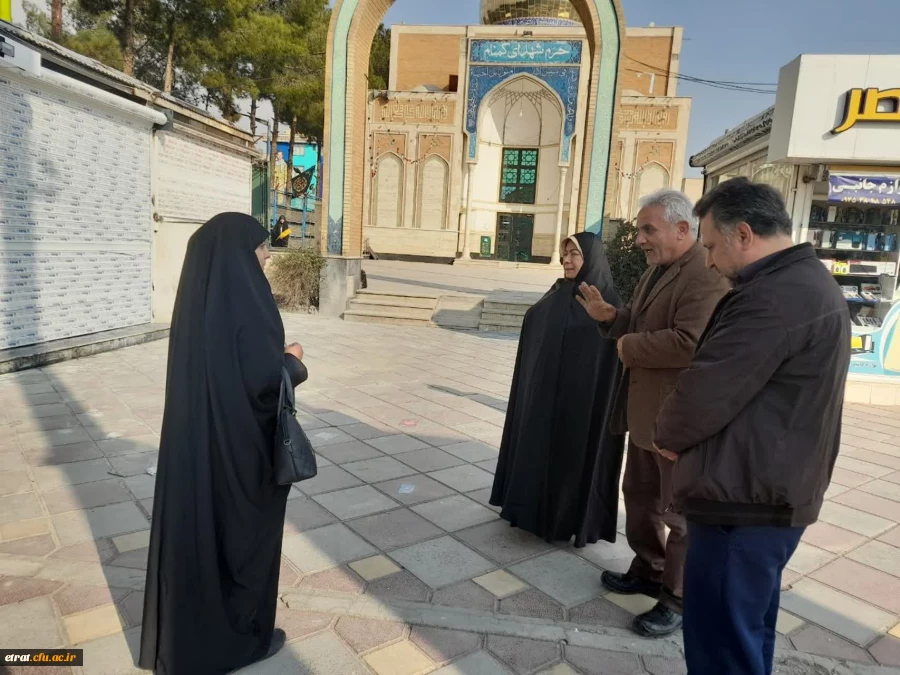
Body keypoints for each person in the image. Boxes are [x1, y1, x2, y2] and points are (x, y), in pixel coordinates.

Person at [654, 178, 850, 675]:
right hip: (770, 490)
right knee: (746, 632)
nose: (711, 261)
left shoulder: (774, 298)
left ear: (743, 234)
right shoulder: (805, 282)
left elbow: (705, 391)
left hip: (743, 501)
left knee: (722, 641)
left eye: (714, 247)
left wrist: (666, 436)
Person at [140, 213, 307, 674]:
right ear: (239, 255)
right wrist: (292, 363)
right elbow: (260, 386)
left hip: (199, 453)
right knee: (241, 542)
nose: (268, 255)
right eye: (261, 248)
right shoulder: (250, 309)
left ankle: (190, 641)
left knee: (202, 540)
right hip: (240, 458)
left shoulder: (199, 307)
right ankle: (240, 640)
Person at [577, 189, 730, 637]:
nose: (640, 238)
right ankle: (648, 568)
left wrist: (626, 346)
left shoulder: (703, 272)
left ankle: (677, 599)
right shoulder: (661, 268)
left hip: (677, 420)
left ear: (683, 229)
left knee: (677, 514)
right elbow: (644, 323)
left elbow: (689, 342)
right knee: (640, 498)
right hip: (645, 416)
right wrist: (611, 317)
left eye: (649, 229)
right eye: (640, 229)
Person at [490, 232, 625, 548]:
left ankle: (567, 521)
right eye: (564, 254)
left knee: (572, 458)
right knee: (537, 449)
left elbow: (606, 357)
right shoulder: (557, 291)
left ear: (590, 258)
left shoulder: (608, 301)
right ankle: (530, 514)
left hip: (581, 402)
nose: (566, 260)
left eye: (574, 254)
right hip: (543, 395)